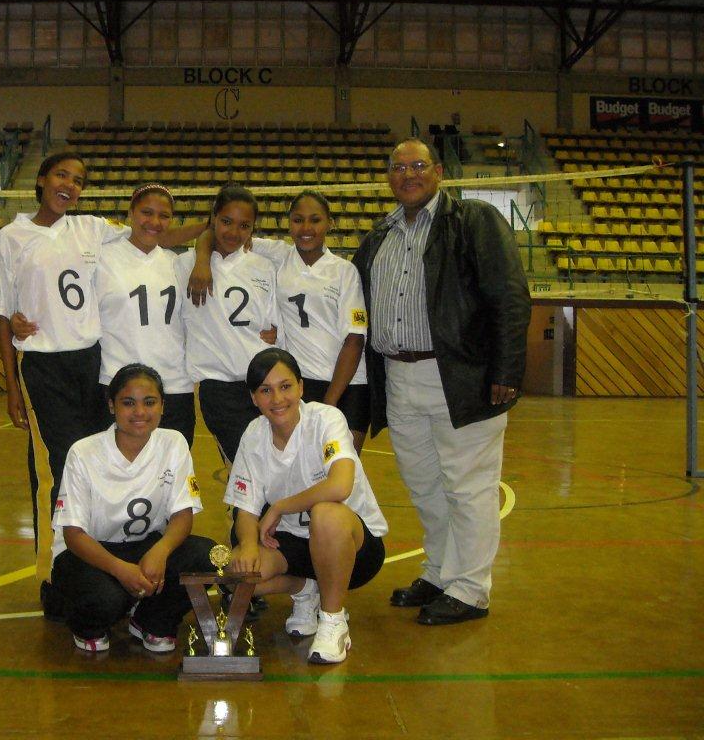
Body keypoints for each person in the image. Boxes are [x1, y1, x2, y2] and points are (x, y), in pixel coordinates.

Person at [351, 137, 531, 625]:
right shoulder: (377, 238)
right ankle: (439, 571)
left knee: (468, 486)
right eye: (398, 167)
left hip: (460, 375)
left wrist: (506, 371)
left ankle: (471, 589)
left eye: (418, 165)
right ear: (387, 177)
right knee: (425, 485)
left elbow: (510, 296)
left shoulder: (473, 222)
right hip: (398, 378)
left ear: (438, 173)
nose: (408, 174)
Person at [0, 153, 202, 552]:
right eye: (61, 175)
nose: (69, 184)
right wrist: (12, 386)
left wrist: (212, 230)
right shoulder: (12, 237)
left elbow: (156, 235)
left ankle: (98, 553)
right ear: (41, 179)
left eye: (78, 179)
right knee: (57, 466)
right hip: (44, 363)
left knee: (93, 467)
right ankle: (54, 565)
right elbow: (3, 314)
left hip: (91, 364)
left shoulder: (92, 229)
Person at [224, 348, 387, 665]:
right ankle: (306, 588)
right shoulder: (254, 435)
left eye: (285, 386)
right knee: (237, 573)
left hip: (354, 546)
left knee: (327, 513)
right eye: (265, 390)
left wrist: (281, 506)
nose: (277, 399)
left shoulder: (326, 419)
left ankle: (333, 620)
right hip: (294, 546)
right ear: (254, 398)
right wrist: (246, 545)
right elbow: (244, 508)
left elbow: (340, 485)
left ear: (301, 387)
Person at [49, 363, 214, 653]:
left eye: (149, 402)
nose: (139, 412)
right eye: (128, 403)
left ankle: (151, 620)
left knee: (205, 556)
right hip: (89, 553)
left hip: (145, 547)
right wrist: (121, 570)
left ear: (163, 406)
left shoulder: (173, 443)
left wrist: (160, 552)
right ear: (112, 406)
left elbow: (182, 515)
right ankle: (88, 625)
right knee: (106, 599)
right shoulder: (84, 452)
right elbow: (73, 533)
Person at [192, 190, 369, 451]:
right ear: (289, 223)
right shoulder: (278, 255)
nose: (306, 228)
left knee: (341, 471)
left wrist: (328, 404)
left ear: (330, 223)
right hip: (299, 386)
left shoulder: (344, 271)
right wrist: (202, 262)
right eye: (298, 220)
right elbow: (214, 233)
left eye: (315, 220)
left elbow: (354, 341)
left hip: (347, 385)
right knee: (302, 471)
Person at [174, 183, 279, 465]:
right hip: (219, 388)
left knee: (275, 468)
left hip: (263, 384)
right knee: (246, 469)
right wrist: (201, 256)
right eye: (226, 222)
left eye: (244, 225)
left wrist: (277, 334)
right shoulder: (184, 266)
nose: (233, 232)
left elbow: (274, 326)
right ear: (213, 219)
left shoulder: (264, 267)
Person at [92, 184, 195, 447]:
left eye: (164, 216)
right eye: (146, 213)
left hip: (174, 385)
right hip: (119, 382)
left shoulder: (178, 263)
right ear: (131, 213)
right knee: (117, 473)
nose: (155, 222)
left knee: (171, 473)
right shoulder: (102, 259)